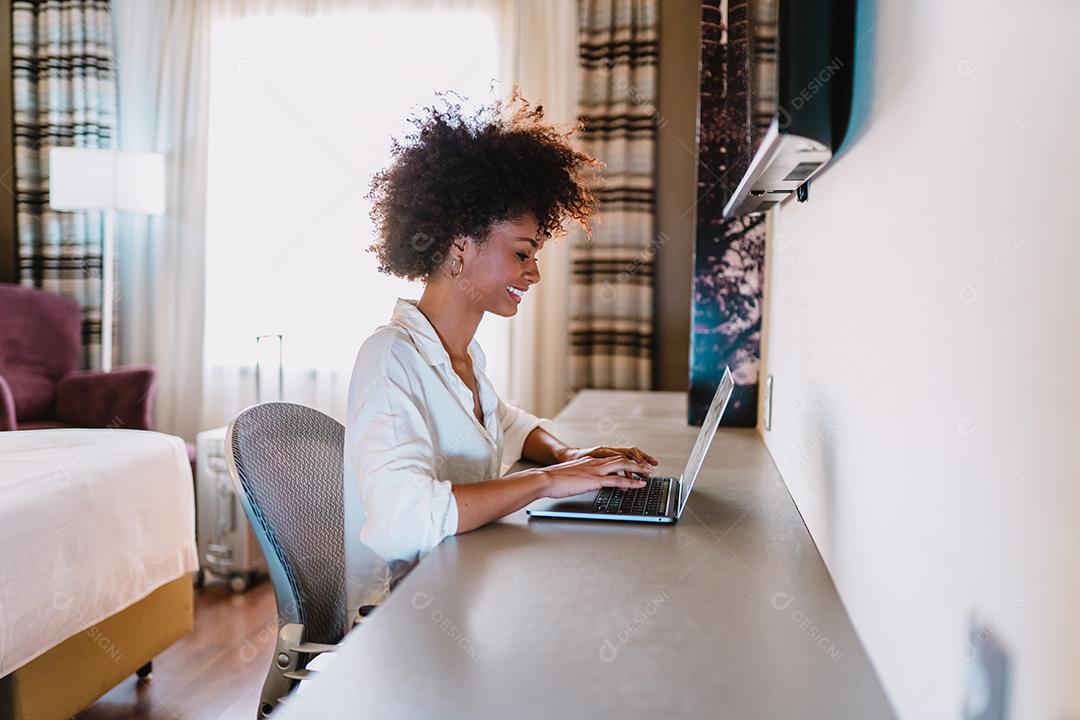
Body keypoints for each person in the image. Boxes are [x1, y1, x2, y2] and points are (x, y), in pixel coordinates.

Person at [344, 94, 659, 610]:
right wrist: (548, 481)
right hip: (404, 611)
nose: (533, 272)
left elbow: (503, 424)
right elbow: (405, 522)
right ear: (460, 244)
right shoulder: (388, 358)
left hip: (462, 586)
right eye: (521, 253)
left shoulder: (462, 358)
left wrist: (566, 455)